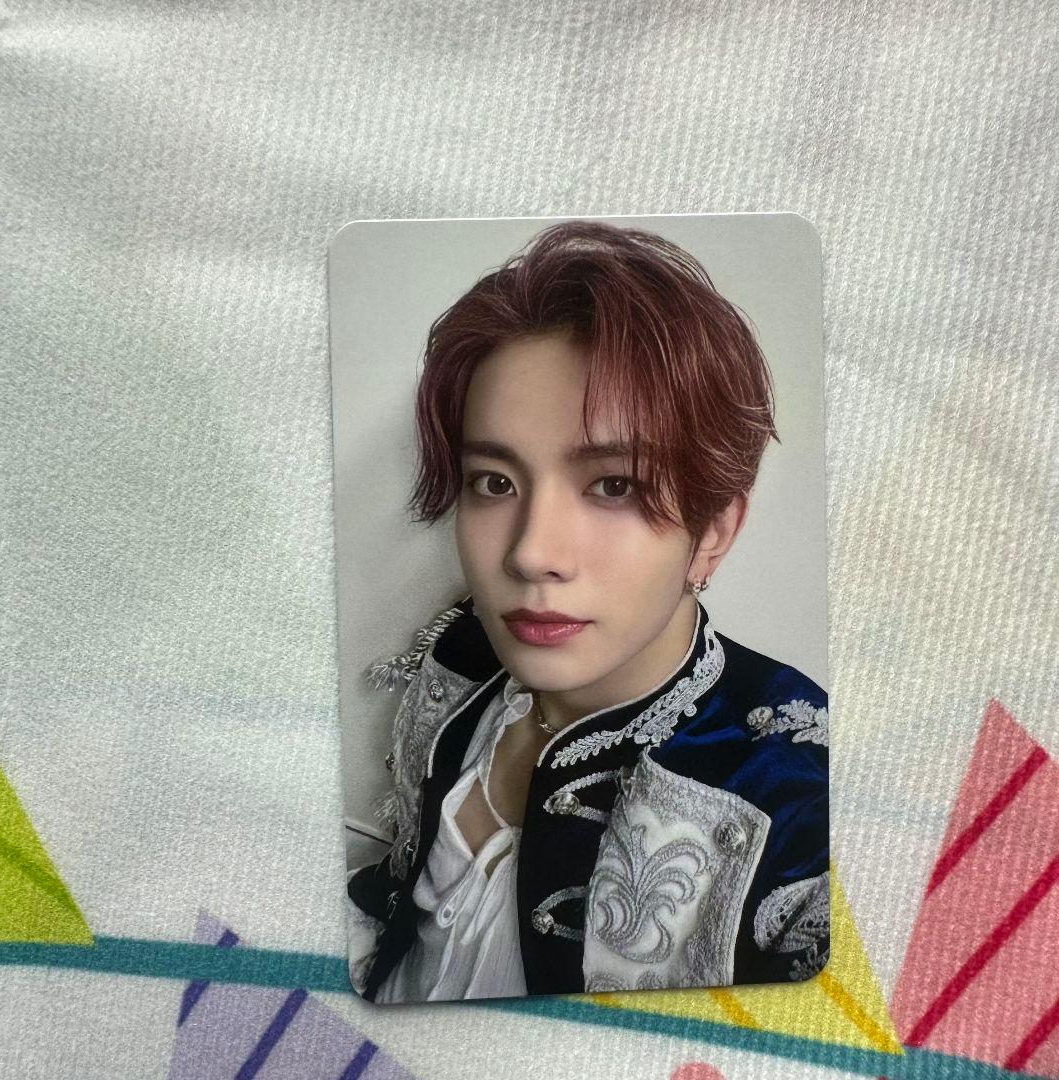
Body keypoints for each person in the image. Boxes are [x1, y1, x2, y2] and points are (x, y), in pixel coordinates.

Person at [345, 220, 829, 1003]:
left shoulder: (799, 789)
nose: (532, 554)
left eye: (613, 485)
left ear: (712, 532)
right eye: (494, 482)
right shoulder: (461, 655)